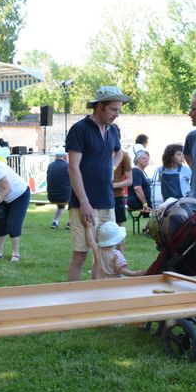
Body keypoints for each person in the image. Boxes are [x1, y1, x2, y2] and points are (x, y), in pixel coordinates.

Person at [66, 85, 128, 281]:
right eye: (113, 109)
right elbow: (73, 167)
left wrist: (111, 166)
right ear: (100, 106)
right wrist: (84, 202)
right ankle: (74, 303)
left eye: (118, 110)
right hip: (83, 204)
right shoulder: (79, 129)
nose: (117, 114)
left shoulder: (113, 130)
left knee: (105, 252)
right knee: (80, 255)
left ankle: (97, 296)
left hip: (107, 200)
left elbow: (119, 151)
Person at [45, 147, 71, 229]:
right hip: (64, 197)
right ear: (65, 157)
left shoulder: (50, 166)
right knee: (77, 199)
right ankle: (70, 222)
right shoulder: (67, 166)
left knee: (61, 203)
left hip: (51, 197)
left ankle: (55, 221)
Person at [111, 141, 132, 229]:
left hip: (117, 196)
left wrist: (113, 185)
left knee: (119, 227)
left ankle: (121, 244)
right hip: (100, 196)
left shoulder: (124, 156)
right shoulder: (98, 153)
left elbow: (129, 181)